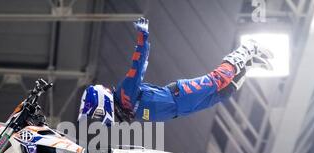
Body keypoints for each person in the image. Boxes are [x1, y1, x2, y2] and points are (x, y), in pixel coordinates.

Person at [78, 17, 273, 125]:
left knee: (217, 80)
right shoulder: (124, 110)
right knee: (224, 93)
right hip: (181, 109)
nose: (100, 119)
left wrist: (142, 39)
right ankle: (249, 63)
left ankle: (248, 47)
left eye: (97, 114)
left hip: (179, 96)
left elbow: (138, 68)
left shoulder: (123, 95)